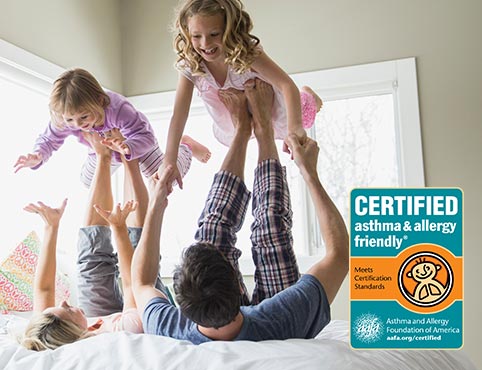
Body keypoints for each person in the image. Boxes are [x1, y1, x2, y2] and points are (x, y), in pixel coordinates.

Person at [131, 78, 348, 344]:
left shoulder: (172, 329)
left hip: (224, 316)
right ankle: (264, 129)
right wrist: (310, 173)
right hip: (269, 327)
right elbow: (338, 254)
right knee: (271, 228)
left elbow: (141, 281)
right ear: (238, 282)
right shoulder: (284, 319)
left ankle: (242, 130)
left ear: (184, 309)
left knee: (211, 230)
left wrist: (156, 203)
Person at [21, 132, 168, 351]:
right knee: (139, 252)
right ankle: (130, 159)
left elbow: (43, 290)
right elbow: (133, 283)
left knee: (90, 263)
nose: (62, 303)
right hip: (137, 305)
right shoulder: (127, 329)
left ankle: (103, 156)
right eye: (67, 310)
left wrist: (51, 227)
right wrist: (118, 228)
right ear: (82, 332)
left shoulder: (48, 329)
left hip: (96, 317)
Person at [161, 0, 323, 187]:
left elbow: (287, 85)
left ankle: (310, 97)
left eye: (214, 34)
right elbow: (179, 115)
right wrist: (170, 160)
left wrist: (295, 129)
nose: (205, 43)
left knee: (304, 114)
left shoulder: (245, 53)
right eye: (196, 36)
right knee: (237, 137)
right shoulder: (191, 65)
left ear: (229, 30)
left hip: (269, 106)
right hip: (231, 118)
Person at [14, 68, 210, 189]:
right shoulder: (65, 117)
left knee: (164, 181)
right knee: (88, 183)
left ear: (99, 101)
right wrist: (38, 155)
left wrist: (127, 148)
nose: (78, 125)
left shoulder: (118, 109)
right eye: (70, 120)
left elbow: (146, 136)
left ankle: (186, 146)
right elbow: (50, 139)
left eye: (83, 116)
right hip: (102, 148)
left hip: (137, 143)